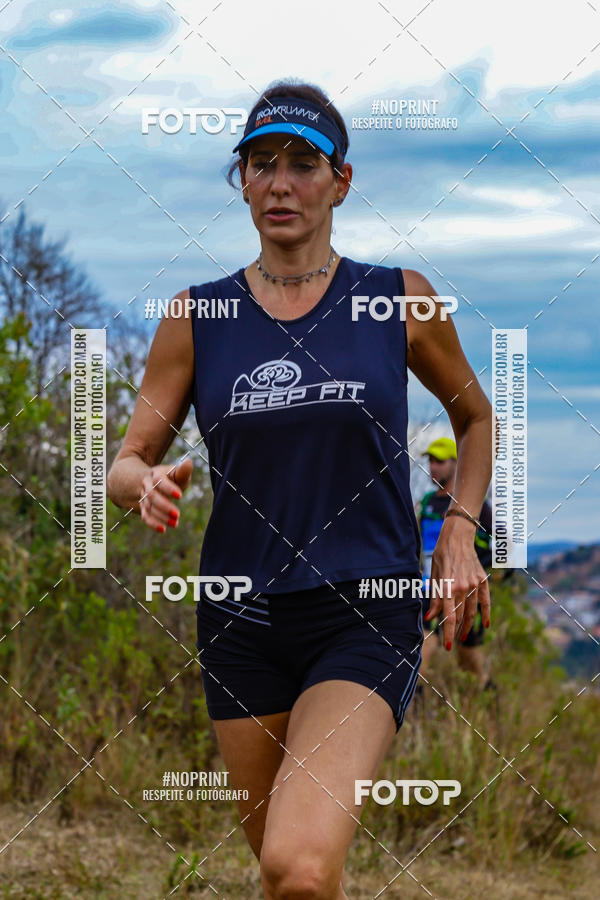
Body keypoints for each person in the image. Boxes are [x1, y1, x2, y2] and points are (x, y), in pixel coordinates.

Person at [107, 79, 493, 900]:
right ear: (242, 181)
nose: (280, 182)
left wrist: (459, 529)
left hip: (367, 608)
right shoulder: (195, 317)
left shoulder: (401, 301)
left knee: (298, 865)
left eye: (303, 163)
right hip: (240, 622)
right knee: (292, 879)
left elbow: (478, 420)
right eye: (260, 163)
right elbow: (124, 460)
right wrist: (145, 481)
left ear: (340, 182)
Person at [416, 437, 492, 688]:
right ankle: (415, 712)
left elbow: (505, 545)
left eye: (440, 461)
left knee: (467, 659)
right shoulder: (426, 503)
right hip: (430, 589)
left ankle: (486, 695)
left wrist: (484, 567)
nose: (433, 467)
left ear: (455, 463)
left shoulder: (474, 505)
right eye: (430, 461)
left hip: (464, 590)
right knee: (421, 653)